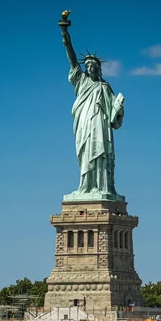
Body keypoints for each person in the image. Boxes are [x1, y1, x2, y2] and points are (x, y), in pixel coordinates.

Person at [60, 20, 124, 197]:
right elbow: (73, 62)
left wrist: (118, 109)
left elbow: (114, 116)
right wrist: (66, 37)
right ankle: (86, 186)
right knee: (86, 154)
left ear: (98, 69)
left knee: (101, 153)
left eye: (92, 66)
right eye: (87, 66)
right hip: (84, 124)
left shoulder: (104, 87)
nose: (89, 68)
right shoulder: (81, 82)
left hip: (100, 126)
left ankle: (103, 187)